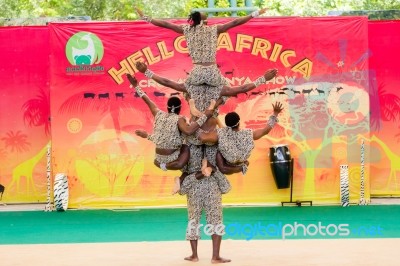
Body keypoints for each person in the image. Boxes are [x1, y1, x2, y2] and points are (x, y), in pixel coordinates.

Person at [135, 7, 267, 88]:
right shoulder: (214, 29)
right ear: (205, 21)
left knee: (184, 90)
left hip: (196, 73)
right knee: (229, 89)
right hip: (212, 73)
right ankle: (213, 108)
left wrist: (146, 18)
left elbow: (164, 24)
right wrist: (255, 13)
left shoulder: (186, 29)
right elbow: (236, 22)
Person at [127, 74, 215, 193]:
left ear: (167, 107)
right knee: (188, 144)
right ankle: (187, 172)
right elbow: (189, 130)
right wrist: (205, 116)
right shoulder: (180, 119)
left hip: (158, 158)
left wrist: (136, 86)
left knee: (180, 140)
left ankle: (177, 175)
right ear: (179, 108)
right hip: (174, 160)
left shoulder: (158, 114)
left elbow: (147, 100)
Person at [199, 102, 284, 175]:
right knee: (221, 141)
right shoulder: (248, 133)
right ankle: (242, 167)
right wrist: (275, 113)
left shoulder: (220, 134)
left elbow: (202, 138)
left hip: (228, 162)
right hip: (242, 159)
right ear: (239, 122)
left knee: (214, 147)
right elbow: (266, 130)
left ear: (227, 124)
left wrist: (198, 122)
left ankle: (240, 168)